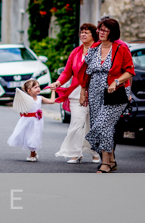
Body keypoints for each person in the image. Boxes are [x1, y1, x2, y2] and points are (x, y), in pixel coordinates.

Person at [80, 18, 135, 173]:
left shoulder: (121, 48)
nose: (101, 32)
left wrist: (116, 82)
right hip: (95, 92)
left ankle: (105, 163)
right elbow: (86, 72)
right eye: (99, 29)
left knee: (103, 124)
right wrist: (83, 91)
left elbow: (130, 70)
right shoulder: (95, 48)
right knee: (104, 125)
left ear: (113, 32)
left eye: (105, 30)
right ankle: (111, 160)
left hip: (115, 92)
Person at [48, 23, 101, 164]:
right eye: (81, 32)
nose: (83, 35)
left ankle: (94, 152)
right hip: (76, 93)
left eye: (86, 32)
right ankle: (74, 153)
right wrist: (58, 83)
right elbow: (67, 72)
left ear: (93, 35)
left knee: (93, 125)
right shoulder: (75, 52)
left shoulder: (99, 50)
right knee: (76, 123)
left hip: (95, 92)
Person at [8, 79, 57, 161]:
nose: (38, 88)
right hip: (26, 121)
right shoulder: (25, 99)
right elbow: (20, 108)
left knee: (34, 137)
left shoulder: (40, 98)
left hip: (37, 121)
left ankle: (32, 154)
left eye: (38, 87)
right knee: (26, 136)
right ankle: (33, 152)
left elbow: (52, 101)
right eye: (35, 87)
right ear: (29, 90)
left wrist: (53, 91)